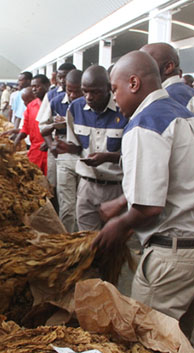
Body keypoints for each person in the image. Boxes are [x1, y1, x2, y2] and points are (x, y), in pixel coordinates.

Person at [94, 50, 194, 339]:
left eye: (115, 89)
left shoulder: (145, 124)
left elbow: (149, 207)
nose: (114, 99)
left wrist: (121, 224)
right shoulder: (187, 115)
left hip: (176, 257)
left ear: (133, 83)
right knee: (178, 343)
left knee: (148, 346)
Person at [56, 65, 128, 231]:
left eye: (95, 92)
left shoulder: (123, 109)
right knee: (86, 242)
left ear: (108, 88)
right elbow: (76, 146)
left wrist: (107, 157)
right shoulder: (75, 108)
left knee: (115, 243)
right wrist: (65, 147)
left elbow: (133, 156)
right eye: (85, 91)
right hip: (87, 186)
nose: (89, 97)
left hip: (116, 187)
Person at [42, 69, 83, 232]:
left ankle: (82, 237)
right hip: (64, 153)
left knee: (83, 202)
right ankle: (66, 239)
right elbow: (43, 127)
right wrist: (52, 143)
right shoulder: (56, 101)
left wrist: (68, 122)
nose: (72, 95)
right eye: (69, 90)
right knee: (67, 203)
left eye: (77, 91)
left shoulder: (90, 103)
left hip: (85, 154)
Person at [38, 63, 76, 190]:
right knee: (54, 182)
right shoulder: (52, 96)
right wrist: (50, 145)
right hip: (58, 142)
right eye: (60, 77)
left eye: (66, 77)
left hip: (77, 144)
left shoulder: (84, 96)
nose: (63, 80)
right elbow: (42, 125)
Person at [13, 76, 50, 174]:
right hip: (35, 152)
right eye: (32, 86)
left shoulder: (54, 103)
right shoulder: (31, 106)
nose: (34, 89)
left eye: (37, 86)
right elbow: (25, 128)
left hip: (50, 152)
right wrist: (15, 143)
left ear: (47, 85)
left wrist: (50, 142)